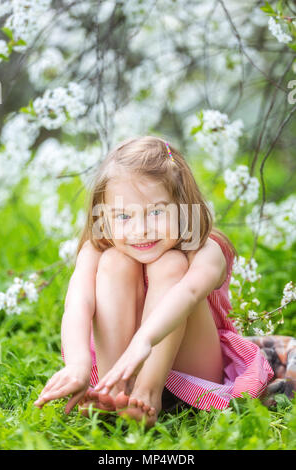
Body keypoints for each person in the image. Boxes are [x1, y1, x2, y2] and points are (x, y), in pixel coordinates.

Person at [34, 135, 276, 428]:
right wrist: (77, 363)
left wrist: (144, 340)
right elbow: (78, 303)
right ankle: (114, 391)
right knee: (114, 261)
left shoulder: (204, 248)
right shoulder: (98, 248)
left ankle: (148, 393)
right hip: (123, 364)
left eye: (157, 212)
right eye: (123, 216)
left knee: (171, 264)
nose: (141, 230)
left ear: (183, 206)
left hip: (192, 373)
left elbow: (188, 292)